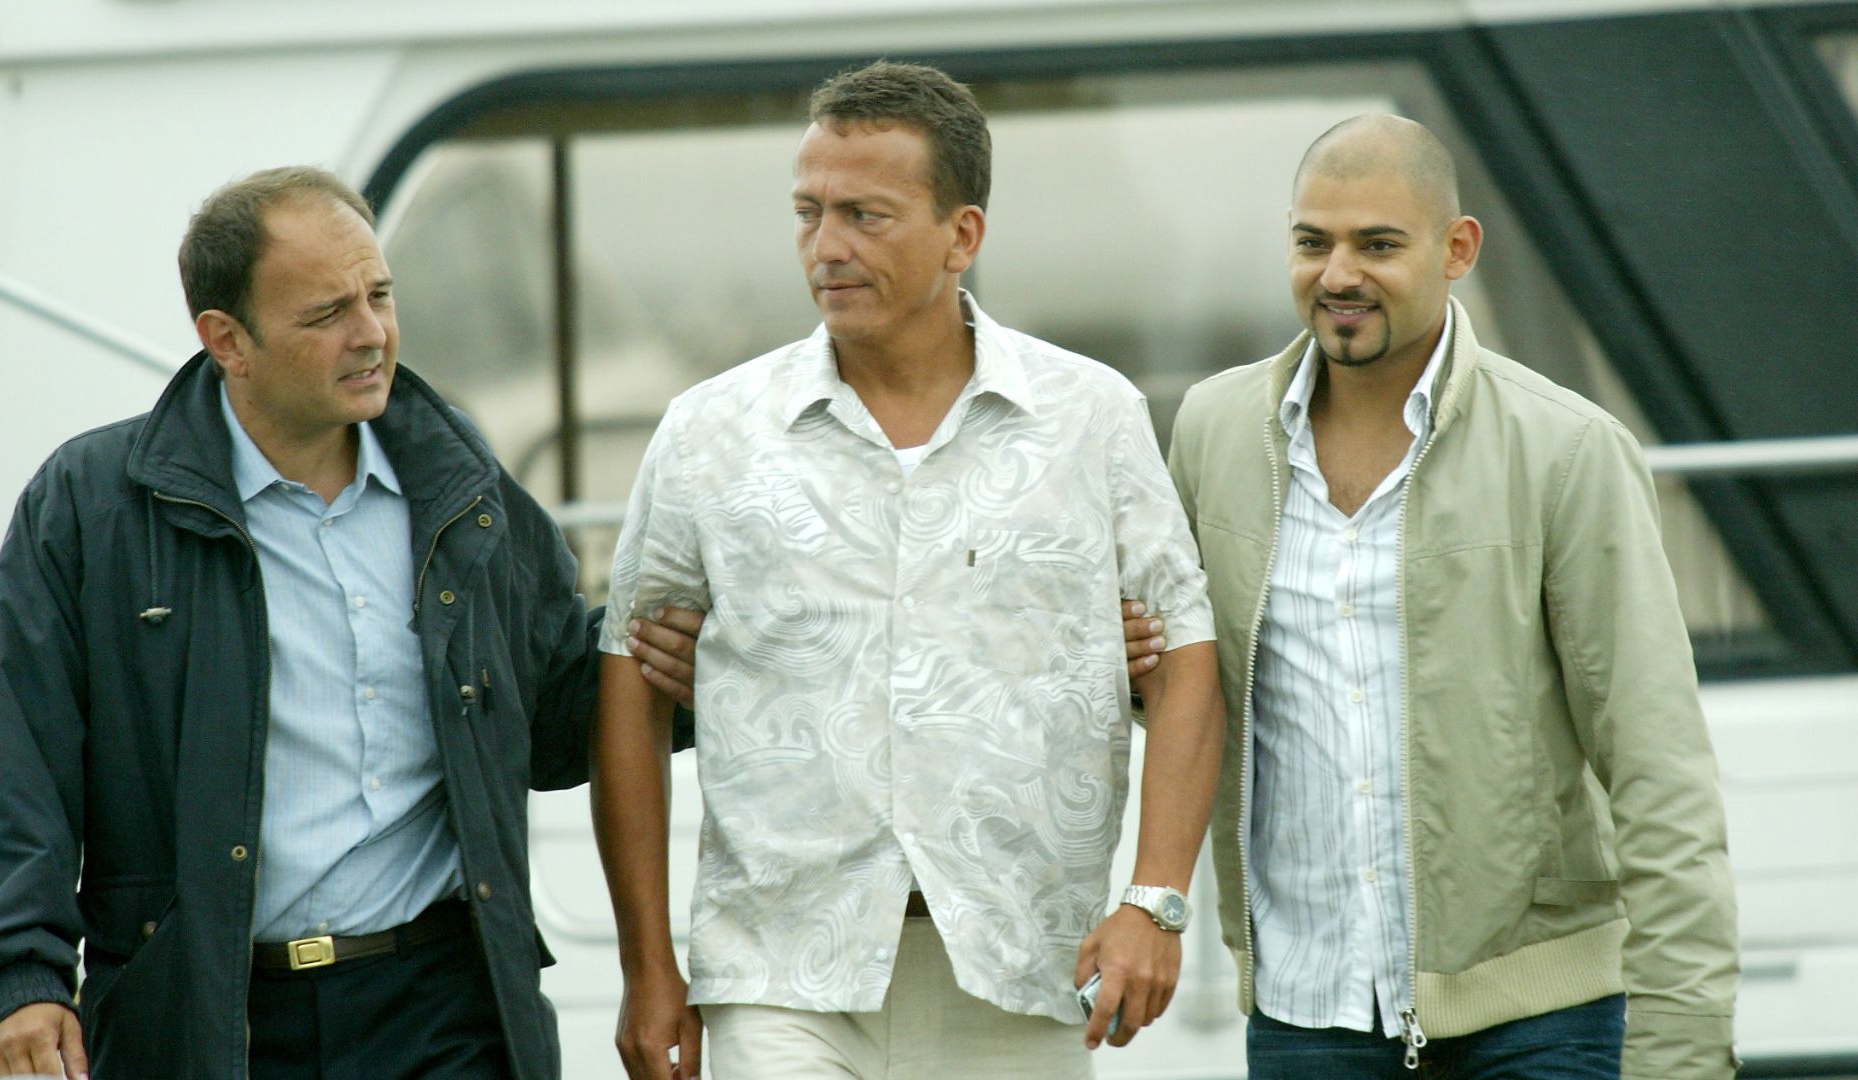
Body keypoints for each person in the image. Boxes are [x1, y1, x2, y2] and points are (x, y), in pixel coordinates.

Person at [0, 167, 701, 1080]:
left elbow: (545, 714)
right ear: (227, 340)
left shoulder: (455, 477)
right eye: (328, 313)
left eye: (379, 294)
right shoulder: (91, 506)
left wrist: (676, 664)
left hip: (446, 1013)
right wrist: (16, 977)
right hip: (204, 1024)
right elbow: (16, 758)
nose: (371, 333)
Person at [592, 61, 1225, 1080]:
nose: (826, 247)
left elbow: (1188, 655)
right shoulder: (708, 433)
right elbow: (627, 682)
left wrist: (1154, 901)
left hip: (1022, 967)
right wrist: (646, 963)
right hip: (780, 973)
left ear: (961, 235)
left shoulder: (1091, 417)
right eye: (809, 212)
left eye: (865, 216)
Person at [1163, 115, 1739, 1077]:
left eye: (1378, 244)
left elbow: (1658, 763)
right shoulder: (1213, 430)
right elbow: (1193, 689)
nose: (1339, 274)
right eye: (1313, 242)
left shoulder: (1567, 450)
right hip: (1306, 1013)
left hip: (1540, 1018)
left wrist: (1681, 1047)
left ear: (1458, 249)